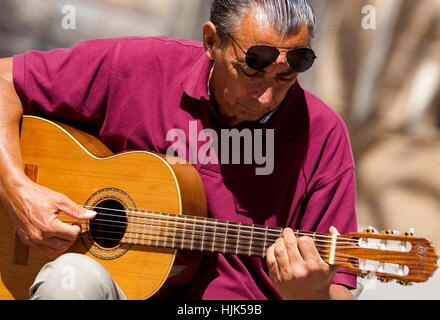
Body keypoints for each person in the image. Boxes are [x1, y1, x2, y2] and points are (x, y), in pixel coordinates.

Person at [0, 0, 357, 300]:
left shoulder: (322, 135)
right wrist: (16, 189)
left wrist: (313, 295)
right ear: (211, 41)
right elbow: (3, 79)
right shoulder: (138, 67)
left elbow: (341, 287)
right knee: (71, 280)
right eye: (250, 72)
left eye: (285, 78)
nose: (266, 96)